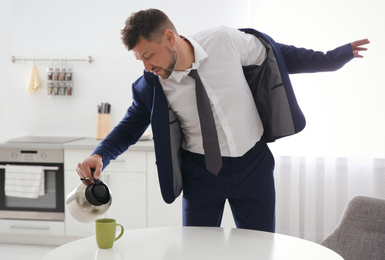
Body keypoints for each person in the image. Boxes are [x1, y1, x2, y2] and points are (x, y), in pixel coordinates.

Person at [76, 9, 369, 232]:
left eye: (148, 55)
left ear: (168, 38)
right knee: (197, 251)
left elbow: (275, 55)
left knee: (259, 248)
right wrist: (100, 154)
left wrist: (330, 59)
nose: (146, 66)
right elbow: (130, 125)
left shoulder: (224, 41)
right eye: (140, 59)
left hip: (253, 166)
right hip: (201, 174)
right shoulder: (153, 84)